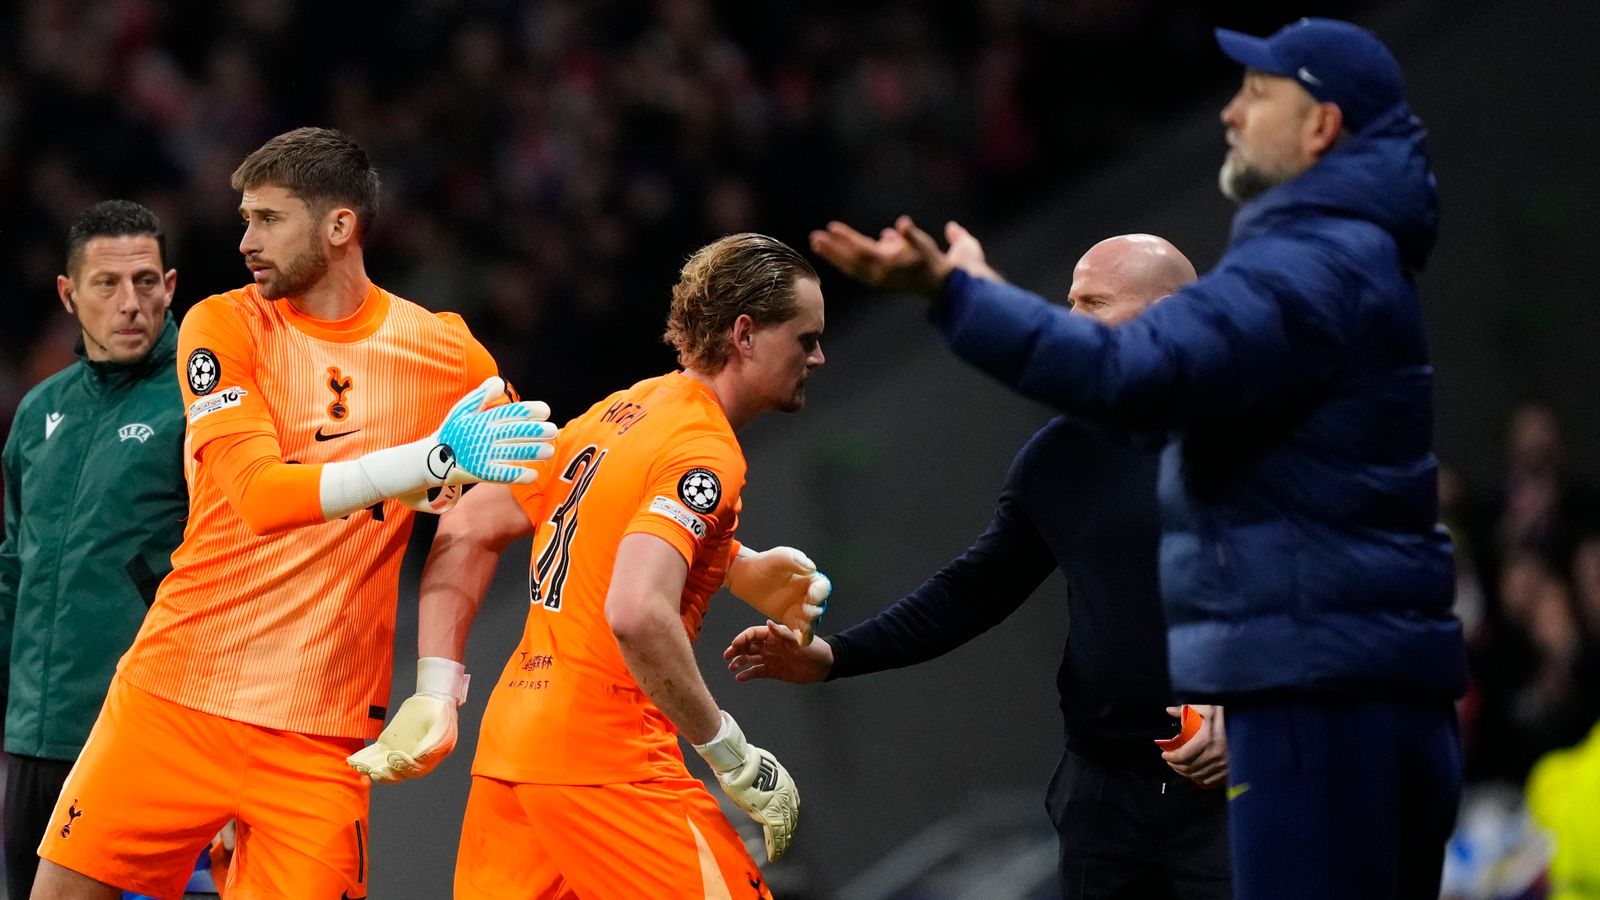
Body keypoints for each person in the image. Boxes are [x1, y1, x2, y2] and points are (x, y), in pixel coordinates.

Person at [809, 18, 1466, 900]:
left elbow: (1125, 375)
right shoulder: (1332, 261)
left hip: (1316, 718)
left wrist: (956, 293)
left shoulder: (1312, 272)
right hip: (1274, 723)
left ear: (1320, 126)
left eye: (1258, 93)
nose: (1229, 112)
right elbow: (979, 587)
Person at [30, 127, 557, 900]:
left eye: (269, 219)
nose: (246, 241)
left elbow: (531, 486)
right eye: (246, 219)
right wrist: (429, 463)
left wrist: (440, 684)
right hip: (176, 699)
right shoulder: (223, 326)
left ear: (339, 225)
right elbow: (262, 496)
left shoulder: (445, 353)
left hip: (320, 738)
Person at [727, 230, 1232, 899]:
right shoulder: (1059, 455)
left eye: (1093, 304)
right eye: (1069, 303)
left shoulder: (1246, 432)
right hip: (1107, 792)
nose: (1071, 320)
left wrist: (1245, 704)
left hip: (1235, 779)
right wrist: (837, 655)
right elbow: (976, 589)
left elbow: (1317, 586)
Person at [371, 233, 829, 899]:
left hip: (514, 755)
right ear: (745, 334)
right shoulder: (705, 450)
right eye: (805, 338)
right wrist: (733, 756)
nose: (817, 356)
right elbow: (636, 612)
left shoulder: (622, 409)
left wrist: (437, 689)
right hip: (609, 761)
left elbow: (469, 524)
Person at [0, 200, 221, 900]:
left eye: (146, 281)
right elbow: (14, 569)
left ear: (171, 286)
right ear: (68, 294)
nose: (131, 303)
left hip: (141, 736)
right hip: (33, 742)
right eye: (107, 284)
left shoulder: (203, 405)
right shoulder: (39, 412)